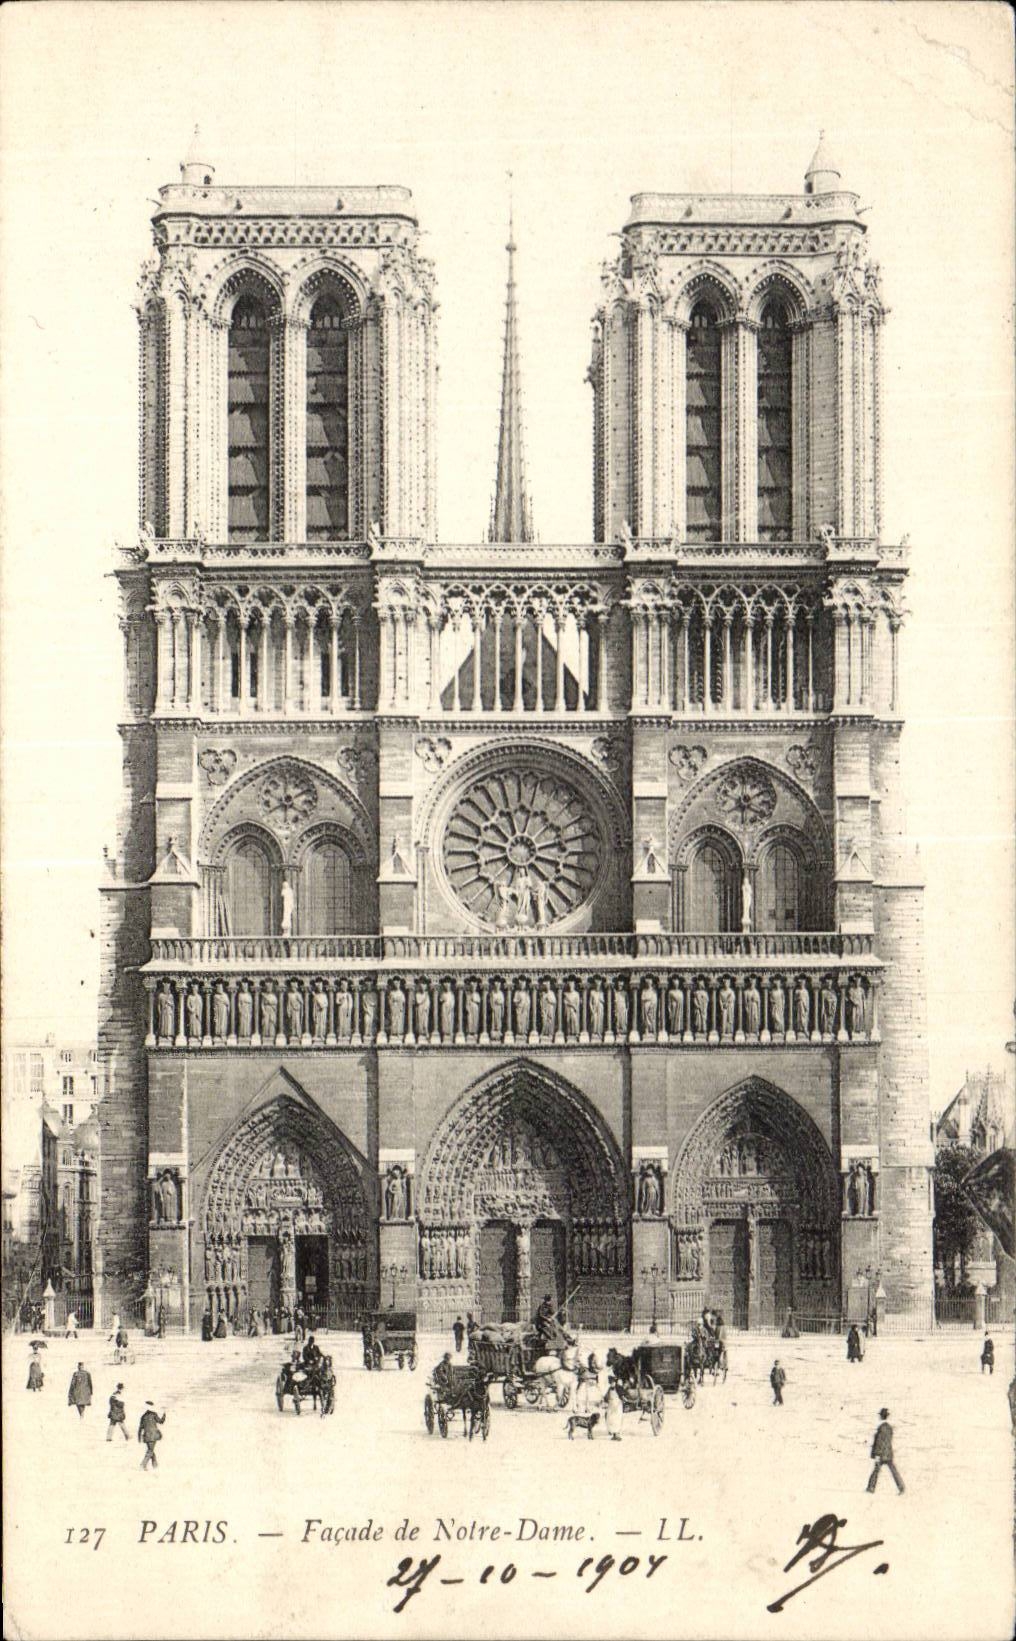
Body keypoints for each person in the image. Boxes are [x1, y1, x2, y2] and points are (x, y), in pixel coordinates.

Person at [867, 1408, 904, 1494]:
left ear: (881, 1416)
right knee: (893, 1471)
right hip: (888, 1454)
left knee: (876, 1471)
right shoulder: (889, 1427)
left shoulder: (881, 1428)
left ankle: (871, 1488)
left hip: (881, 1455)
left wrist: (876, 1454)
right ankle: (901, 1487)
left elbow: (879, 1442)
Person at [138, 1402, 166, 1470]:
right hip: (153, 1436)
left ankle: (155, 1465)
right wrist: (164, 1415)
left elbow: (140, 1428)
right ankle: (143, 1465)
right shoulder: (154, 1414)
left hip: (146, 1436)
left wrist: (139, 1437)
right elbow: (161, 1422)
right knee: (150, 1451)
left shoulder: (143, 1416)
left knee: (151, 1450)